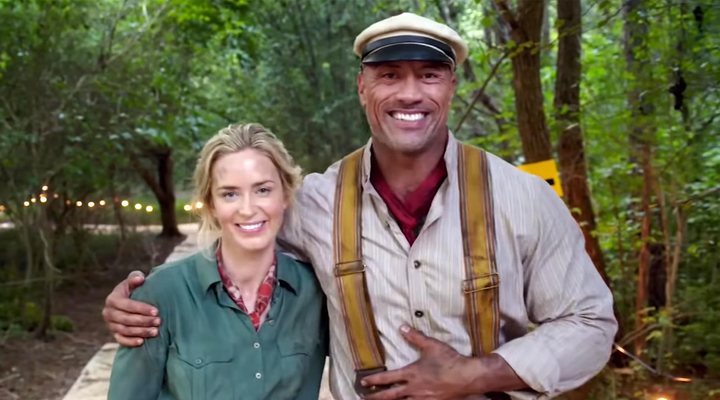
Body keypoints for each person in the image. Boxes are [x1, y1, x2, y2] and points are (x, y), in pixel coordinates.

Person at [103, 13, 617, 400]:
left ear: (452, 86)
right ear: (362, 86)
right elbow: (238, 250)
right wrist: (143, 307)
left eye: (430, 75)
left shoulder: (522, 198)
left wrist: (476, 373)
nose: (410, 93)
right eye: (390, 75)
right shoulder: (316, 204)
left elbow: (590, 323)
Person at [106, 123, 328, 400]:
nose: (247, 209)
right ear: (211, 204)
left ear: (285, 194)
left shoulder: (317, 291)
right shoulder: (160, 295)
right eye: (230, 194)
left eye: (262, 190)